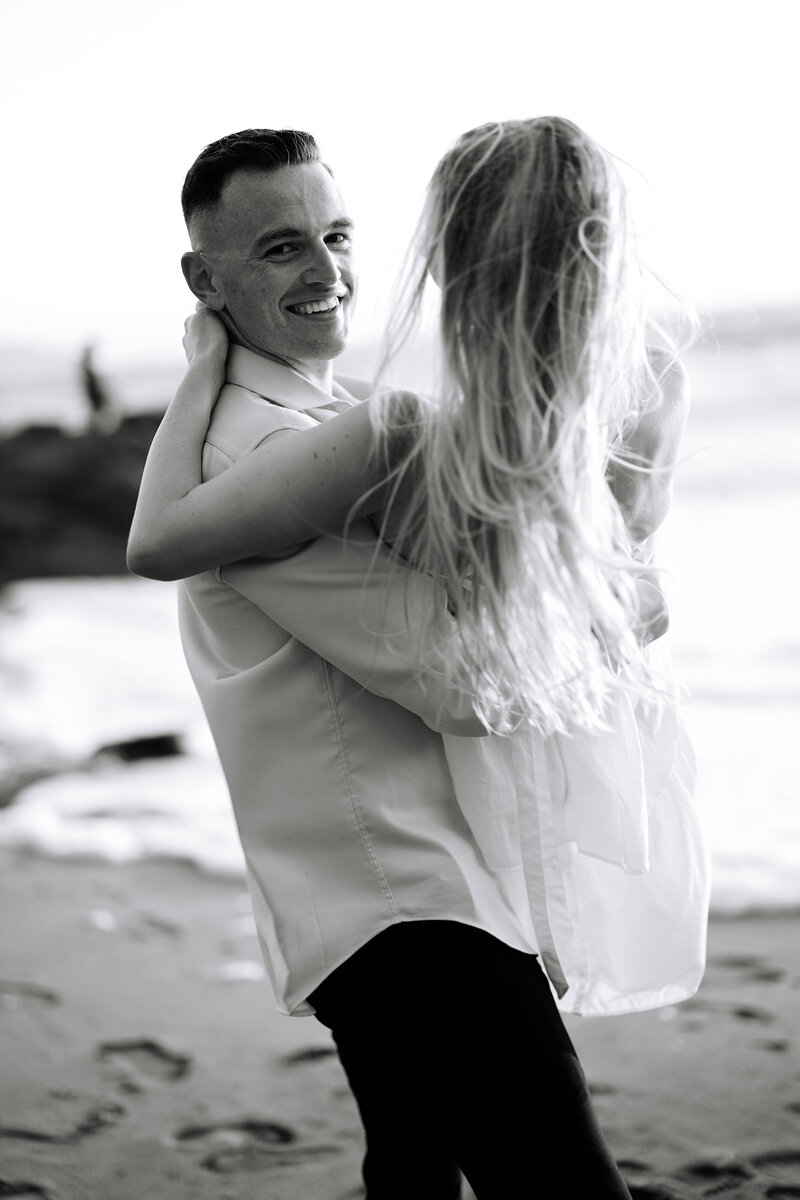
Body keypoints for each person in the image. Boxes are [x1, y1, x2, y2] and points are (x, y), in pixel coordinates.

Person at [128, 122, 708, 1198]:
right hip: (400, 898)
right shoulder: (263, 445)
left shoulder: (322, 418)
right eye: (279, 248)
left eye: (336, 235)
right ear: (203, 280)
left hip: (392, 887)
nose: (325, 270)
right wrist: (611, 577)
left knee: (410, 1166)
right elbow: (464, 685)